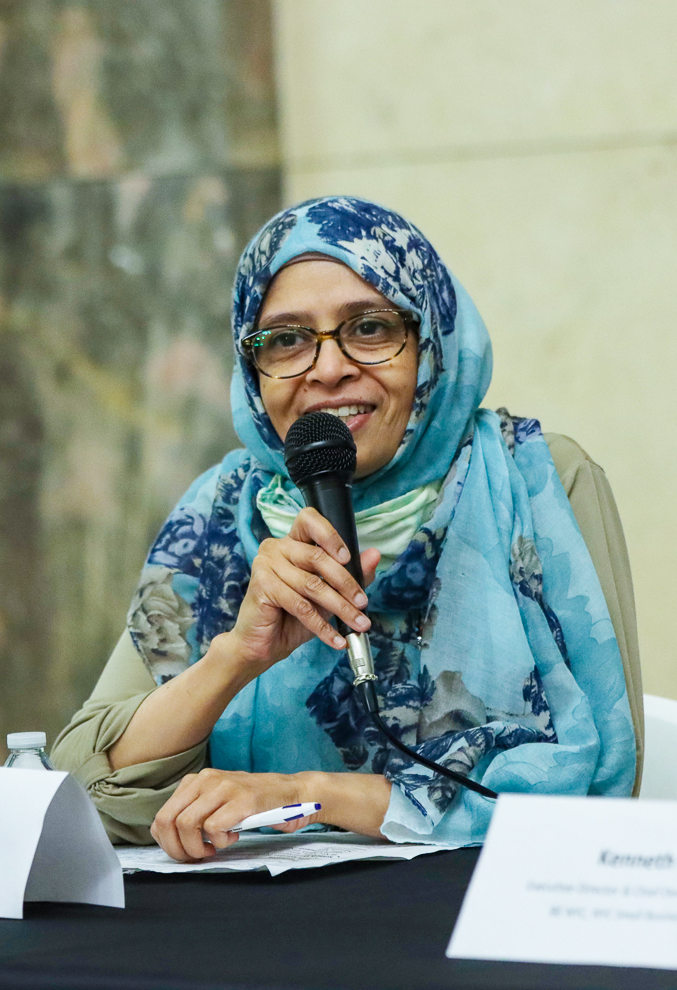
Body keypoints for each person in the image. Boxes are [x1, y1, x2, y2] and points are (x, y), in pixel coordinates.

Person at [51, 196, 641, 862]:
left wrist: (311, 797)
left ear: (430, 342)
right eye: (287, 339)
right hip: (260, 915)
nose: (328, 369)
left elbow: (604, 787)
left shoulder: (537, 479)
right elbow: (79, 791)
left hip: (478, 908)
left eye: (369, 328)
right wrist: (236, 656)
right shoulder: (221, 510)